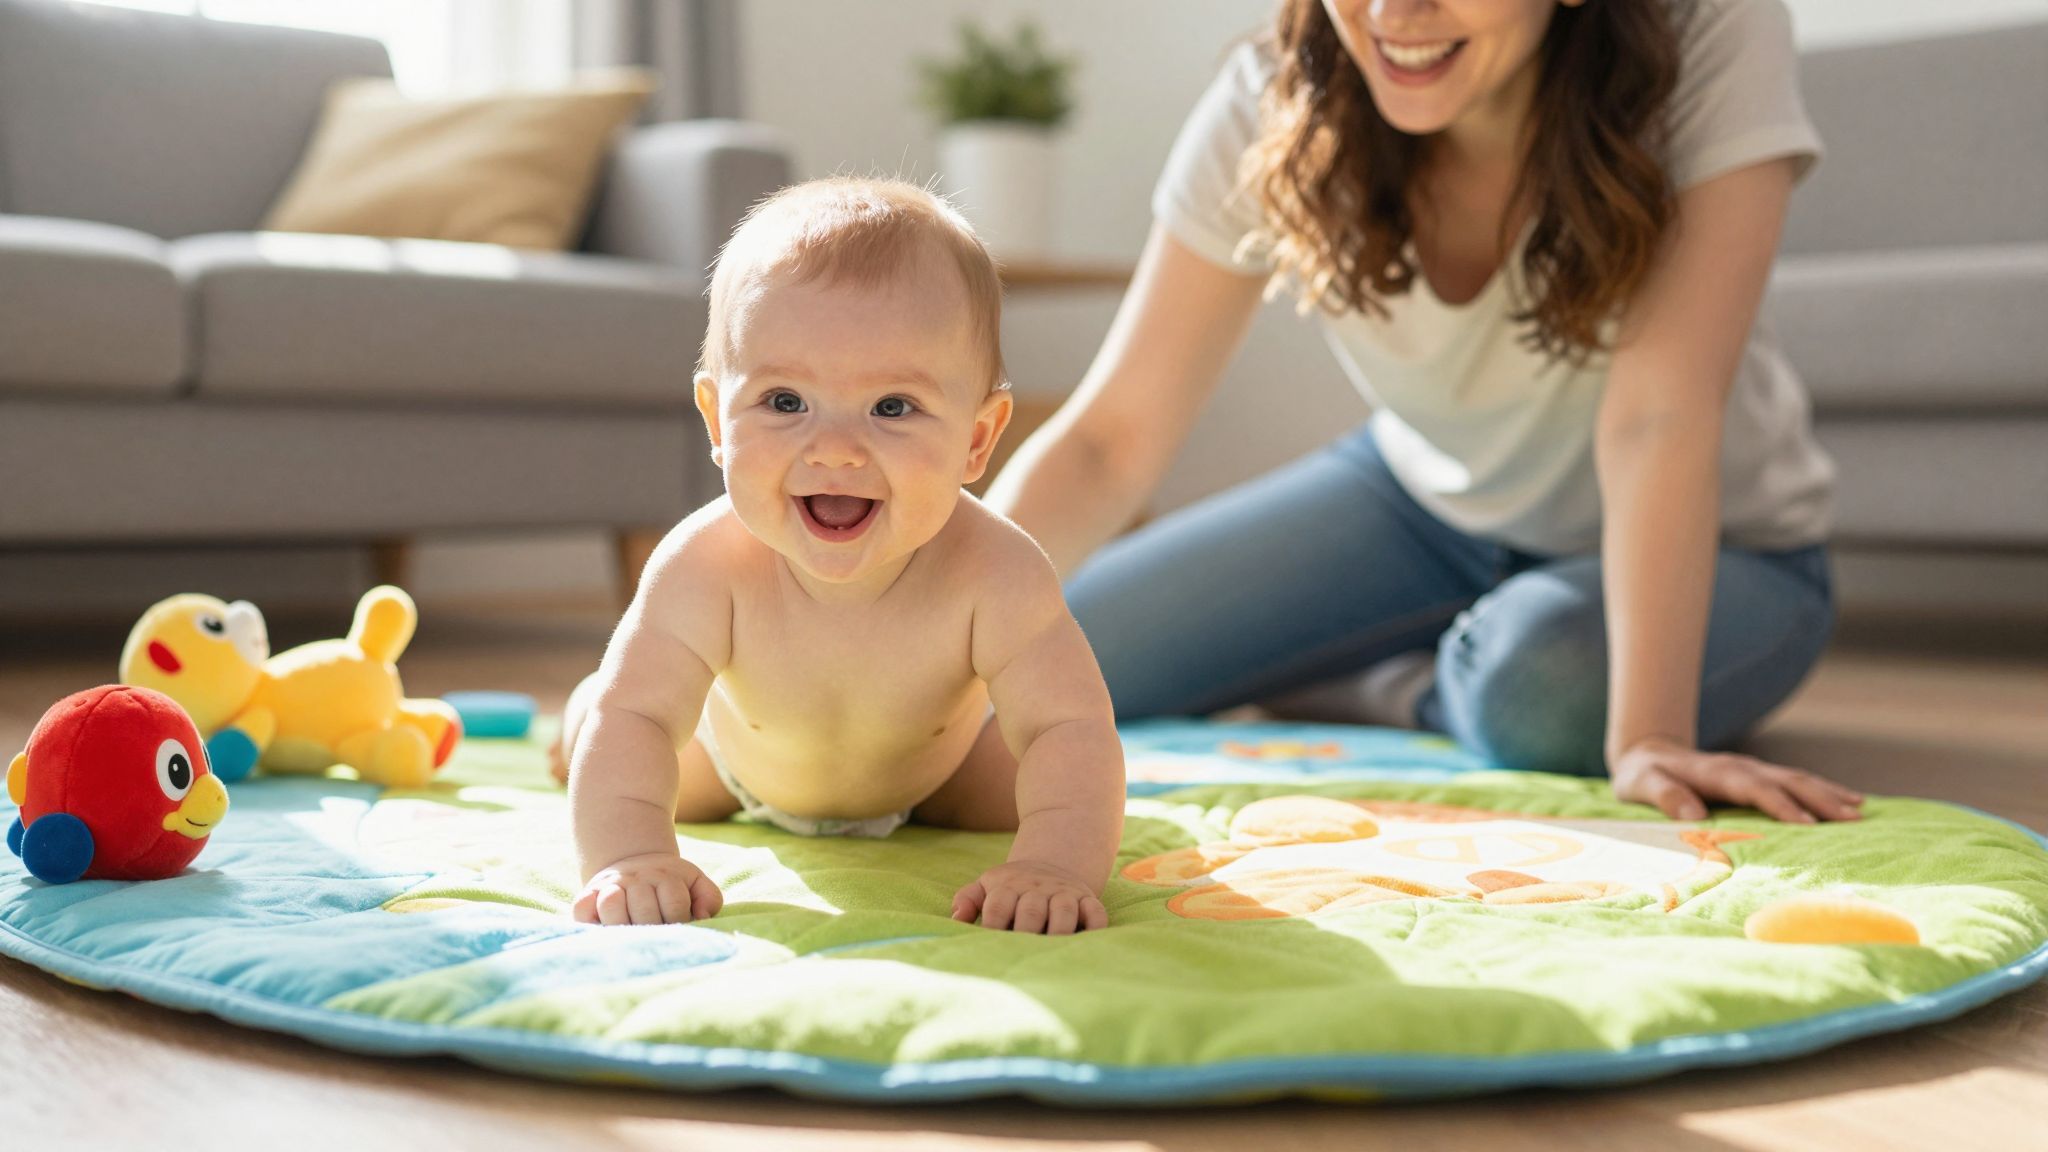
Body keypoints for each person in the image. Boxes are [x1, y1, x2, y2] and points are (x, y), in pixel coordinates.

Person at [983, 0, 1865, 825]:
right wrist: (932, 613)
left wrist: (1650, 738)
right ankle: (1439, 663)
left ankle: (1387, 685)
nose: (1391, 13)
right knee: (1051, 653)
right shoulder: (1273, 99)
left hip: (1730, 553)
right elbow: (1108, 440)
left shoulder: (1711, 29)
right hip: (1419, 506)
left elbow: (1657, 418)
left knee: (1543, 692)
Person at [562, 178, 1123, 934]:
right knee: (611, 731)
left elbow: (1069, 726)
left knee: (1048, 783)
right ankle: (578, 715)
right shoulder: (705, 565)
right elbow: (638, 716)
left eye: (892, 407)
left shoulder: (998, 572)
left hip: (942, 773)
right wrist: (629, 857)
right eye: (785, 402)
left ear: (977, 439)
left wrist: (1054, 866)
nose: (834, 450)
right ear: (717, 421)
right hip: (732, 769)